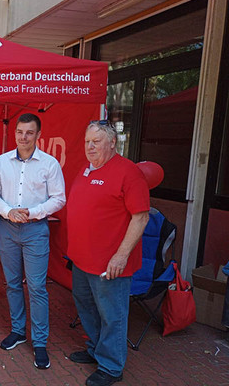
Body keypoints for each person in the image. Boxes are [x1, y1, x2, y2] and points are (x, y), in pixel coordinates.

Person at [67, 121, 150, 386]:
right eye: (87, 141)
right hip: (81, 259)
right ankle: (96, 350)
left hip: (109, 263)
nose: (90, 147)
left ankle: (112, 367)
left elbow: (141, 217)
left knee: (111, 314)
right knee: (87, 307)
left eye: (97, 141)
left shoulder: (128, 172)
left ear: (112, 142)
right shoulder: (87, 169)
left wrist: (121, 255)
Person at [0, 113, 65, 369]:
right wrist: (9, 212)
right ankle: (19, 331)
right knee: (11, 283)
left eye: (29, 133)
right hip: (7, 228)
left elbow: (58, 199)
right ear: (15, 133)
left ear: (38, 135)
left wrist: (31, 213)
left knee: (37, 287)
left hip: (35, 230)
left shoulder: (50, 164)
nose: (23, 137)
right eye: (20, 132)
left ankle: (40, 342)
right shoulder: (1, 162)